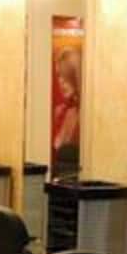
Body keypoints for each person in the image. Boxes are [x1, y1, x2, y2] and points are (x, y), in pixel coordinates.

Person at [51, 47, 81, 175]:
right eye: (59, 76)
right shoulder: (60, 112)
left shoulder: (85, 116)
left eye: (65, 76)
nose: (61, 82)